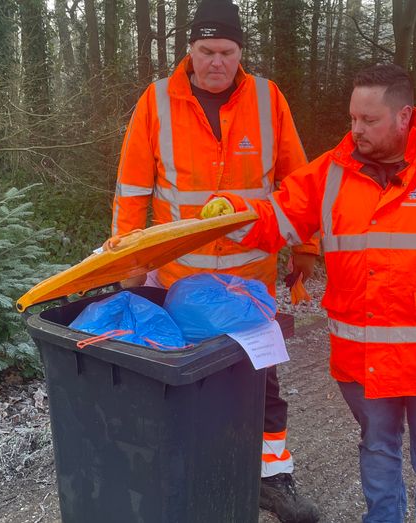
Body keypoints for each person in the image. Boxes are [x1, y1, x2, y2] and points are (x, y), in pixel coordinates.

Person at [200, 64, 416, 522]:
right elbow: (278, 217)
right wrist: (234, 212)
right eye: (353, 118)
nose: (356, 130)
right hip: (363, 361)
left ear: (404, 116)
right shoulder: (331, 172)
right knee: (377, 453)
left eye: (369, 120)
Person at [109, 0, 321, 521]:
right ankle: (193, 477)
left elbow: (298, 184)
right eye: (206, 51)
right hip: (180, 283)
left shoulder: (268, 99)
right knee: (185, 385)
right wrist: (128, 265)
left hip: (250, 284)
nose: (216, 62)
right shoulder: (156, 102)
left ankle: (272, 478)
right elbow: (132, 192)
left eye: (226, 51)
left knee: (261, 384)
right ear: (189, 50)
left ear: (240, 51)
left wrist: (306, 246)